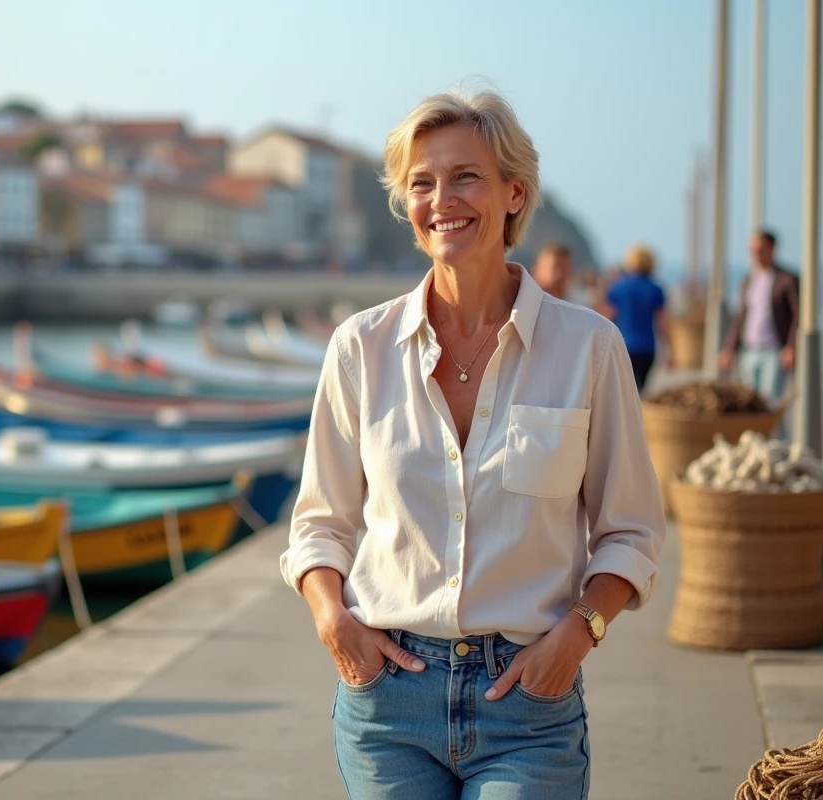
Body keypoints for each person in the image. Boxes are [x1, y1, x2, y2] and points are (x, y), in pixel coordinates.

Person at [280, 88, 665, 800]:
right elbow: (319, 523)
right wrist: (333, 621)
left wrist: (577, 636)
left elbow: (632, 530)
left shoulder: (589, 348)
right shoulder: (359, 348)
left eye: (465, 176)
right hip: (387, 703)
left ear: (514, 193)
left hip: (528, 698)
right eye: (420, 182)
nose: (440, 199)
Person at [719, 230, 800, 403]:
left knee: (771, 403)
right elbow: (740, 317)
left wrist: (791, 346)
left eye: (759, 249)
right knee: (750, 403)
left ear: (771, 249)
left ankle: (774, 432)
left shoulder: (787, 279)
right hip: (749, 350)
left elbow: (797, 315)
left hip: (774, 351)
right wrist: (729, 348)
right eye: (752, 250)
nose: (754, 254)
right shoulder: (748, 280)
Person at [604, 245, 668, 392]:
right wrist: (671, 350)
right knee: (640, 391)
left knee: (622, 391)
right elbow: (662, 322)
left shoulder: (617, 287)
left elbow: (607, 317)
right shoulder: (655, 289)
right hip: (647, 347)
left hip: (622, 345)